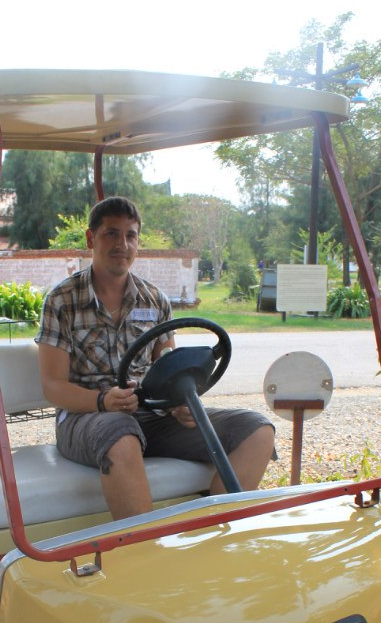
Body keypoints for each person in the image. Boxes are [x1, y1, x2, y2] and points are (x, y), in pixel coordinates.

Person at [35, 197, 275, 519]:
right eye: (111, 234)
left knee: (257, 430)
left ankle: (213, 536)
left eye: (131, 235)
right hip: (84, 417)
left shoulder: (155, 299)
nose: (122, 244)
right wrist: (104, 400)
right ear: (91, 239)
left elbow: (169, 364)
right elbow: (53, 387)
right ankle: (143, 550)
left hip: (150, 416)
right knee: (120, 434)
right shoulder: (61, 301)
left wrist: (180, 403)